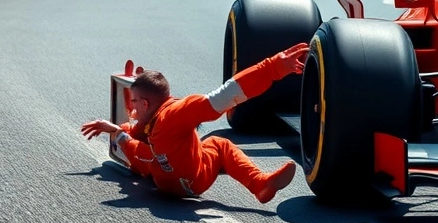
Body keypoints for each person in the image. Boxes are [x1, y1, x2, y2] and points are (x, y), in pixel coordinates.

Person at [80, 44, 309, 203]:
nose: (132, 107)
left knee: (142, 140)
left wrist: (118, 132)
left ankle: (258, 183)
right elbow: (225, 95)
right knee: (219, 144)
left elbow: (140, 148)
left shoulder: (161, 120)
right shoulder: (169, 114)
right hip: (192, 182)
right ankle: (258, 183)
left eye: (135, 101)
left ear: (147, 103)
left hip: (164, 182)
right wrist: (272, 67)